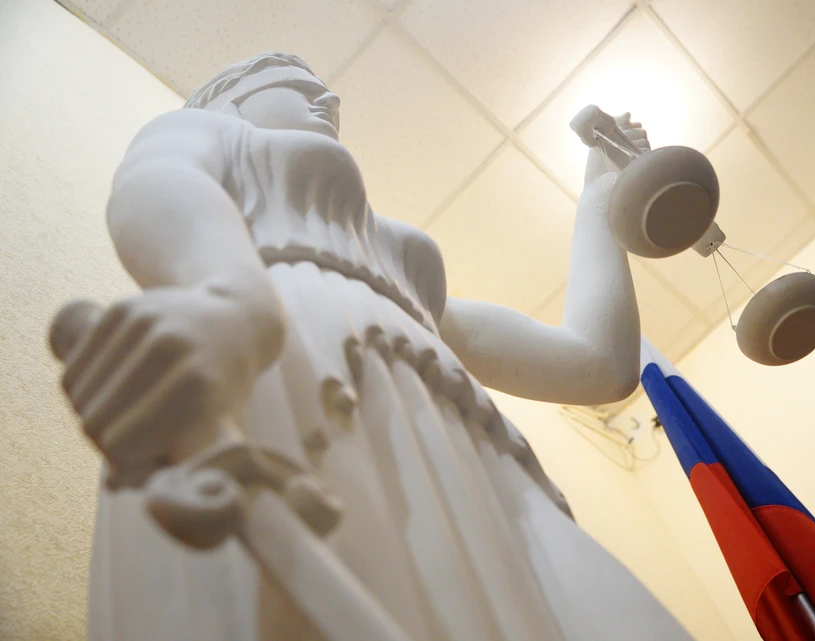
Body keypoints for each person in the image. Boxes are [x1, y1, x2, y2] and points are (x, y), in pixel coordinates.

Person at [59, 51, 692, 640]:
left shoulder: (399, 266)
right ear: (229, 100)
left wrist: (601, 196)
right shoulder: (215, 139)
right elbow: (159, 184)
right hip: (288, 371)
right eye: (297, 85)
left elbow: (595, 365)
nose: (329, 100)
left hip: (457, 445)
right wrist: (232, 300)